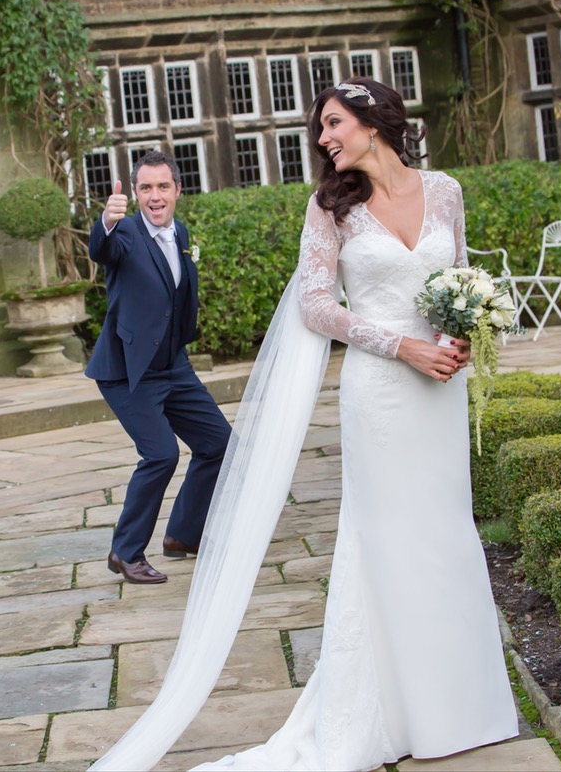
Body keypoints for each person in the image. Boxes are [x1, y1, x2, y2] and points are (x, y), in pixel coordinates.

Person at [89, 79, 518, 770]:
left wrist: (459, 334)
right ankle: (379, 712)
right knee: (384, 544)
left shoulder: (445, 191)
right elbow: (317, 307)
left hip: (440, 389)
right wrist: (399, 344)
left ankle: (459, 709)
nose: (323, 138)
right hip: (380, 391)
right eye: (321, 127)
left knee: (445, 535)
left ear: (374, 124)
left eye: (332, 123)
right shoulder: (330, 207)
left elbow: (457, 279)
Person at [85, 151, 232, 586]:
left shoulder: (180, 232)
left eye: (162, 186)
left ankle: (182, 536)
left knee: (219, 443)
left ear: (177, 190)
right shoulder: (126, 231)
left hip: (173, 366)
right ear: (134, 193)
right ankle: (125, 552)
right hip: (128, 370)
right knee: (161, 454)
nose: (154, 196)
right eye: (145, 188)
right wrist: (106, 223)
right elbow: (103, 249)